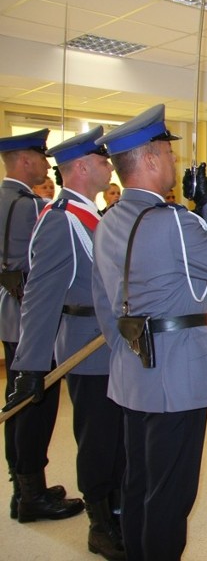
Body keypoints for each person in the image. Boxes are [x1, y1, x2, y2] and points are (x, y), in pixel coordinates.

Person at [91, 104, 207, 559]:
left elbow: (104, 301)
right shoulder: (175, 222)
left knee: (140, 484)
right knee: (170, 496)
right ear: (149, 159)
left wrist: (127, 353)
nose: (174, 164)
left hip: (131, 373)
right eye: (168, 154)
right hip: (176, 377)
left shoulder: (108, 222)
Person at [6, 127, 124, 556]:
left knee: (119, 437)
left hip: (113, 345)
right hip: (87, 347)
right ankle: (100, 524)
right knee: (98, 438)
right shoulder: (60, 219)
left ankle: (118, 510)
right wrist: (30, 366)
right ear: (82, 167)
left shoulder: (92, 215)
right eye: (103, 160)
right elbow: (40, 296)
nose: (111, 166)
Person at [1, 128, 83, 524]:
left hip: (8, 315)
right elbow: (40, 271)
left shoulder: (3, 198)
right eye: (39, 156)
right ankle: (31, 493)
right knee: (36, 403)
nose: (44, 164)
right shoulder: (33, 206)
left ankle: (23, 486)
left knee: (16, 398)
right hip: (35, 318)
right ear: (24, 159)